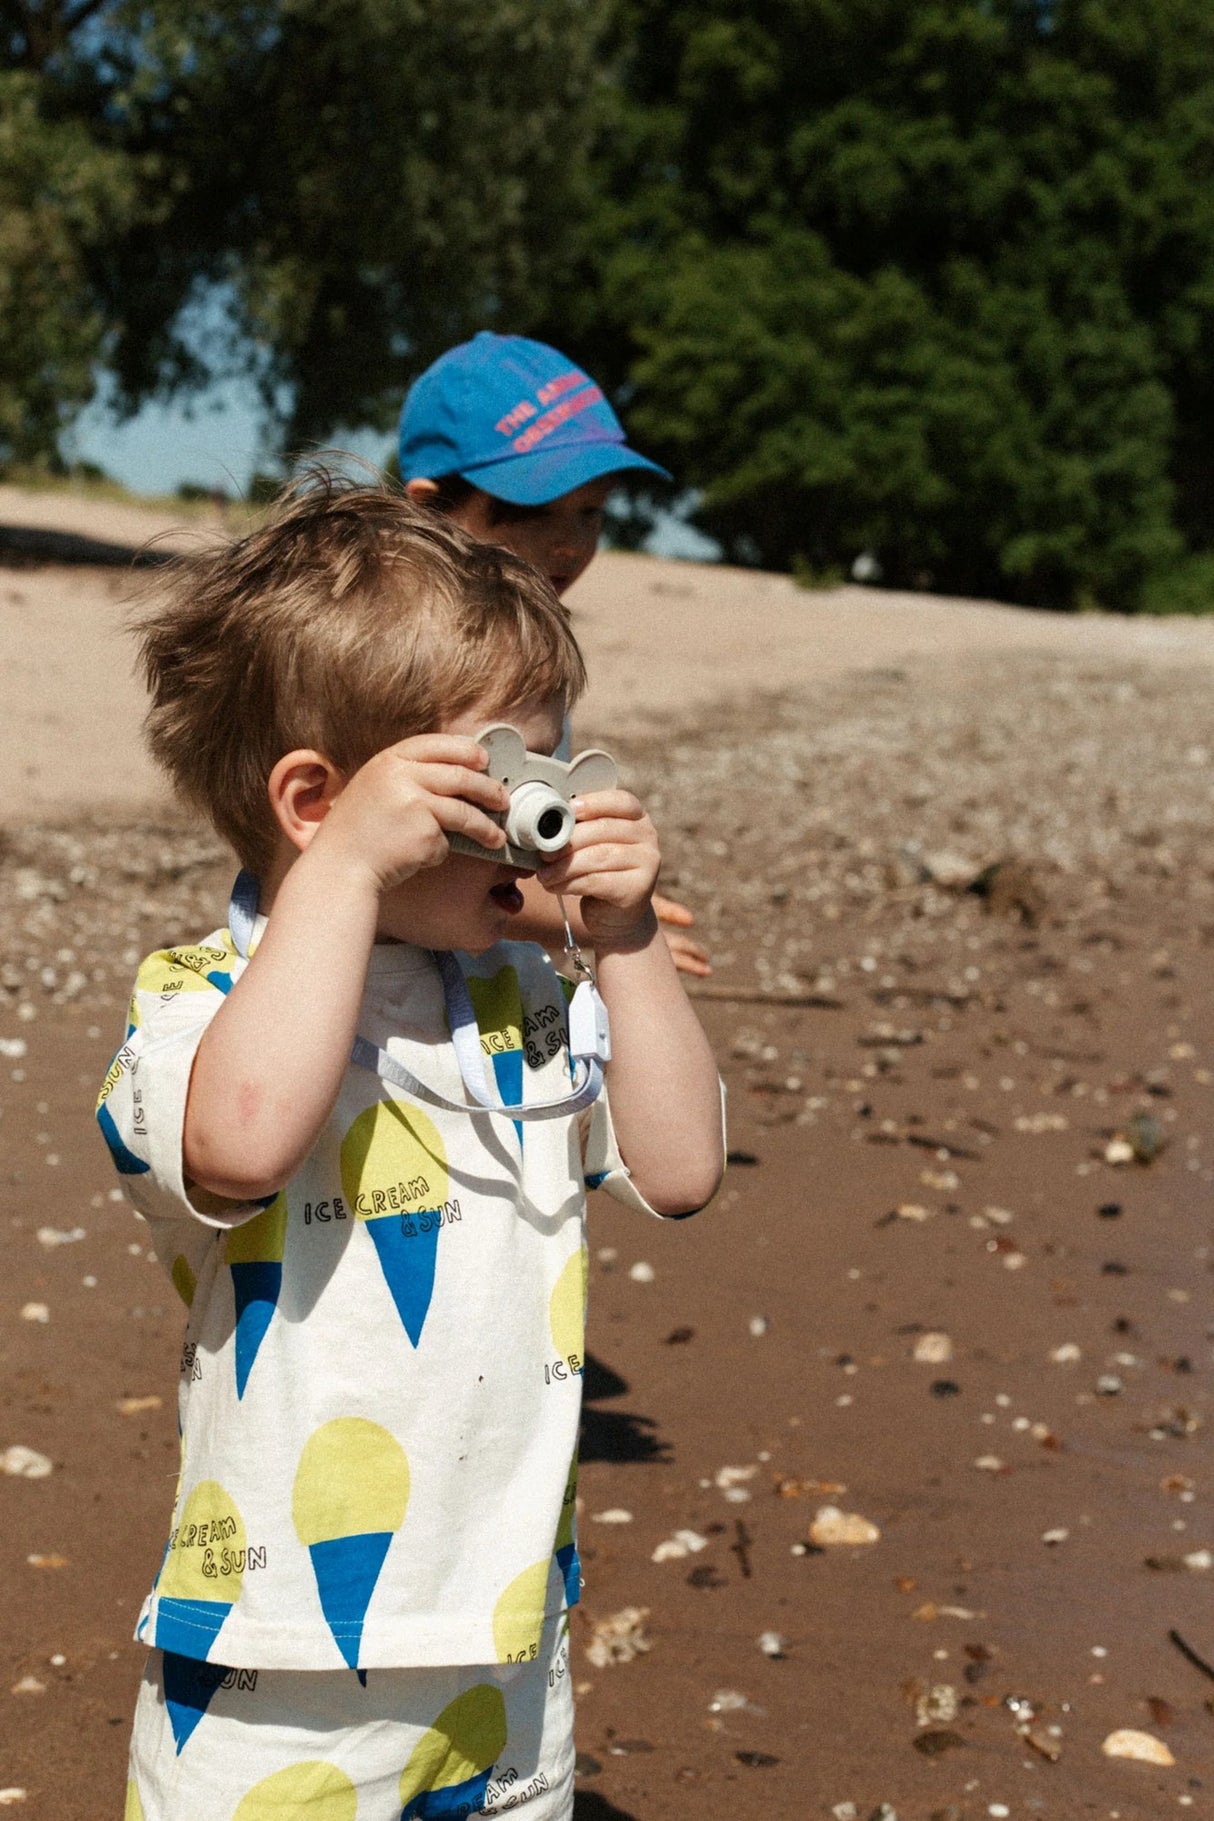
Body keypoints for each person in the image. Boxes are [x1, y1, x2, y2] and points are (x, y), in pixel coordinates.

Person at [97, 478, 723, 1820]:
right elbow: (243, 1139)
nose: (525, 822)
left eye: (544, 776)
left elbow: (676, 1169)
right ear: (315, 802)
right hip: (274, 1664)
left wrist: (622, 948)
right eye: (482, 788)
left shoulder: (521, 1002)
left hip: (504, 1643)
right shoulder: (199, 1005)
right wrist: (337, 881)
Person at [398, 330, 711, 978]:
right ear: (430, 510)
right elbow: (437, 859)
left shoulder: (536, 648)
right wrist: (584, 919)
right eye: (535, 511)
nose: (569, 545)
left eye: (591, 511)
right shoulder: (402, 651)